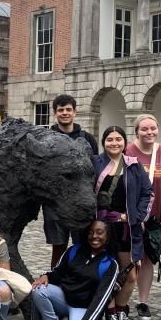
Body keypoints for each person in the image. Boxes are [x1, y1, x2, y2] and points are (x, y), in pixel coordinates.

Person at [92, 126, 153, 320]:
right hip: (101, 229)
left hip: (126, 228)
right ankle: (109, 314)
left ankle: (120, 313)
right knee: (105, 272)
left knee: (130, 275)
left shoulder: (134, 166)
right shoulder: (94, 164)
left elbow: (148, 192)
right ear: (104, 142)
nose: (114, 143)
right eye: (110, 139)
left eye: (118, 139)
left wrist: (138, 215)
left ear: (124, 142)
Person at [31, 220, 118, 320]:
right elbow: (58, 272)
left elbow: (101, 299)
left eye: (100, 233)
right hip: (64, 299)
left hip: (84, 308)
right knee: (38, 289)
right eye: (91, 232)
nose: (94, 236)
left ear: (108, 236)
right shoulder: (74, 250)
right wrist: (47, 276)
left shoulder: (110, 264)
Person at [125, 114, 161, 320]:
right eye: (144, 129)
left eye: (153, 128)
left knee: (147, 259)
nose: (149, 132)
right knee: (127, 259)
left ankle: (143, 302)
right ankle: (122, 301)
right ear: (136, 131)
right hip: (131, 216)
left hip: (155, 217)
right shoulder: (127, 151)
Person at [43, 94, 98, 269]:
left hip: (81, 202)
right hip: (55, 204)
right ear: (54, 113)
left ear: (75, 112)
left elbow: (94, 169)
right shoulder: (46, 138)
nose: (65, 113)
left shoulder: (87, 138)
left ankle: (78, 282)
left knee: (81, 245)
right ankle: (55, 281)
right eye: (61, 110)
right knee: (58, 247)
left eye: (68, 109)